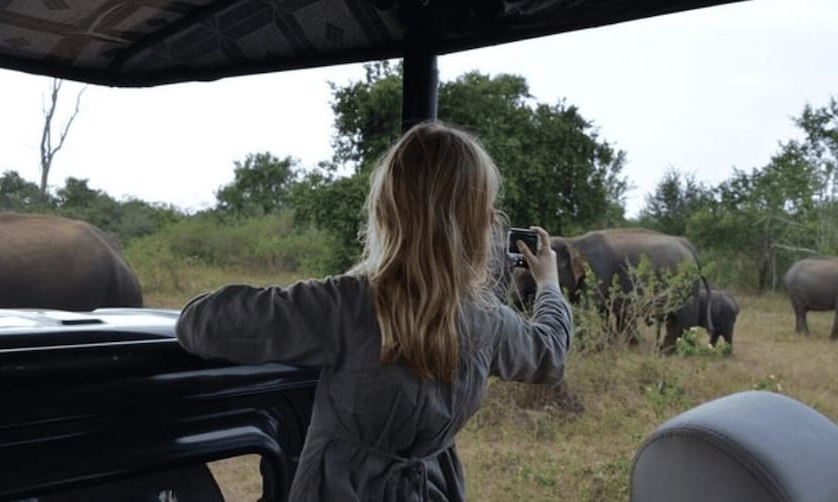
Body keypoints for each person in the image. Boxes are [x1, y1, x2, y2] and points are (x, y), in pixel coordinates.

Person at [176, 120, 572, 501]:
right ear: (480, 223)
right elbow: (549, 354)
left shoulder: (343, 304)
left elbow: (199, 322)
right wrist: (549, 284)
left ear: (386, 210)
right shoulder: (489, 321)